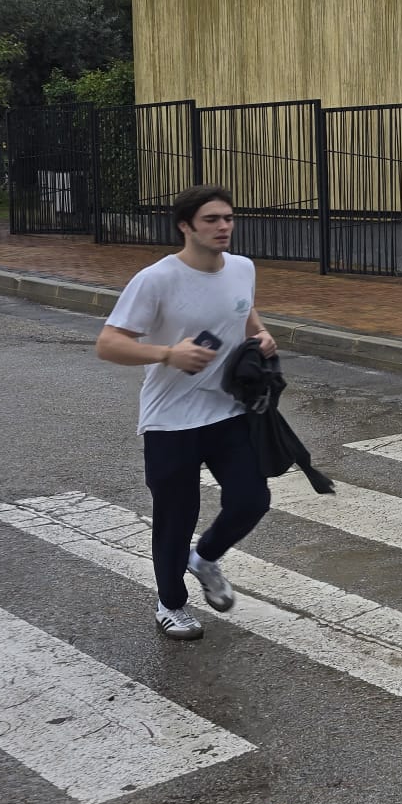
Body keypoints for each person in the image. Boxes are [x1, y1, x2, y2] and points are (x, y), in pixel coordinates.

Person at [94, 185, 275, 639]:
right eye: (212, 219)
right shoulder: (157, 279)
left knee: (252, 499)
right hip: (170, 420)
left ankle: (206, 557)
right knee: (176, 516)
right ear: (185, 226)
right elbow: (108, 343)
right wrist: (167, 354)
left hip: (227, 411)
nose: (223, 227)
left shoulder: (242, 268)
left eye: (228, 218)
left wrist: (262, 335)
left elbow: (242, 310)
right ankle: (171, 603)